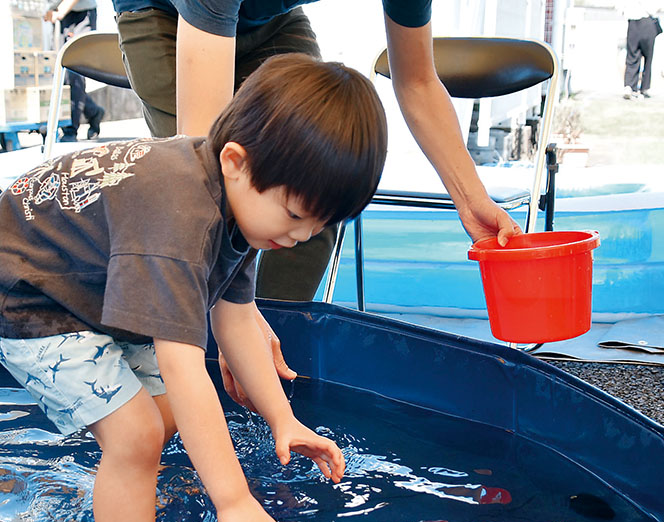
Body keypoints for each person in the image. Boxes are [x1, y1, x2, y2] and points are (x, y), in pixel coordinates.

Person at [0, 54, 387, 522]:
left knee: (163, 419)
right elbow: (185, 366)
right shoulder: (181, 219)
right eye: (296, 215)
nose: (303, 237)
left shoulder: (242, 211)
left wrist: (284, 419)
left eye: (320, 226)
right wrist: (233, 503)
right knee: (134, 434)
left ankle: (129, 484)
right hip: (19, 286)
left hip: (86, 277)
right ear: (235, 161)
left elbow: (234, 319)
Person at [113, 0, 522, 409]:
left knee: (314, 190)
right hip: (167, 13)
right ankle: (187, 376)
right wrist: (235, 310)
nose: (299, 233)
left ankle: (267, 381)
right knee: (212, 226)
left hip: (269, 17)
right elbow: (204, 179)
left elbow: (416, 79)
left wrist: (471, 200)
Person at [45, 0, 106, 140]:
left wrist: (60, 11)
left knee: (74, 70)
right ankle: (93, 111)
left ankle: (70, 130)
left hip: (80, 14)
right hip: (59, 14)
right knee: (63, 74)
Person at [622, 2, 662, 99]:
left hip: (633, 22)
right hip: (647, 22)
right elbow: (655, 8)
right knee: (648, 58)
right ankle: (645, 87)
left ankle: (630, 86)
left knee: (632, 56)